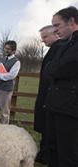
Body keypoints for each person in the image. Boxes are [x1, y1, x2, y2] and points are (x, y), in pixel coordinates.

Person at [44, 6, 78, 167]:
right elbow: (50, 68)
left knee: (67, 155)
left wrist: (53, 68)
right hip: (58, 106)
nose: (55, 30)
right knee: (54, 150)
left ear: (71, 21)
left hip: (70, 110)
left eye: (57, 25)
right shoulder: (66, 44)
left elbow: (58, 68)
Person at [34, 25, 60, 165]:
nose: (43, 41)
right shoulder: (53, 51)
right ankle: (44, 153)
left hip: (52, 97)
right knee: (45, 127)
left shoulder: (60, 50)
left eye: (45, 37)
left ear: (56, 34)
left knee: (50, 129)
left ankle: (47, 155)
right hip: (45, 96)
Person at [0, 40, 20, 124]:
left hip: (5, 91)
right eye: (5, 48)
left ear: (14, 51)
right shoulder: (0, 59)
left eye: (8, 49)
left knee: (5, 113)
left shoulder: (16, 62)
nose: (6, 50)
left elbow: (11, 75)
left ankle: (4, 131)